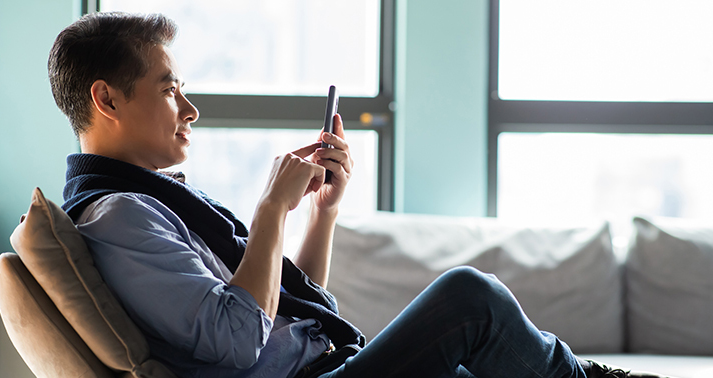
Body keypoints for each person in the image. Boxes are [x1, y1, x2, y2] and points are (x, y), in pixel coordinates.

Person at [48, 11, 671, 378]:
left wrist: (322, 213)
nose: (191, 108)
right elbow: (237, 341)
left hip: (327, 368)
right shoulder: (121, 216)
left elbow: (285, 310)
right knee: (469, 296)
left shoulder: (147, 201)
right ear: (107, 100)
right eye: (168, 89)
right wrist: (270, 211)